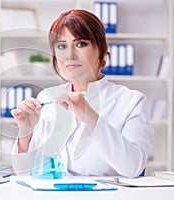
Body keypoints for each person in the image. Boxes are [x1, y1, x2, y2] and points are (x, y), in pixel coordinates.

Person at [10, 9, 154, 178]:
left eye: (81, 44)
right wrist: (26, 131)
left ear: (101, 49)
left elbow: (133, 168)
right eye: (62, 46)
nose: (70, 55)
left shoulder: (131, 101)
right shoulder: (47, 98)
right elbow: (23, 172)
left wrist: (90, 116)